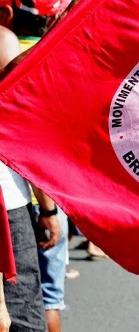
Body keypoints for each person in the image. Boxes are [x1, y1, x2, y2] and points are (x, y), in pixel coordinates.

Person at [0, 1, 72, 331]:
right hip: (9, 202)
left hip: (12, 201)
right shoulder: (3, 41)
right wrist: (49, 210)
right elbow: (23, 131)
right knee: (24, 315)